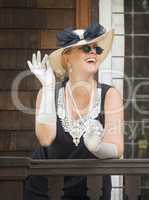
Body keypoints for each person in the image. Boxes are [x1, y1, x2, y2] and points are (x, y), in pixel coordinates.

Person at [23, 23, 124, 200]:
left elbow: (117, 148)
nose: (93, 52)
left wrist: (98, 148)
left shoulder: (110, 94)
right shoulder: (47, 94)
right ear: (68, 58)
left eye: (97, 49)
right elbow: (45, 139)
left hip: (92, 190)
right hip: (45, 189)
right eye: (86, 48)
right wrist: (47, 87)